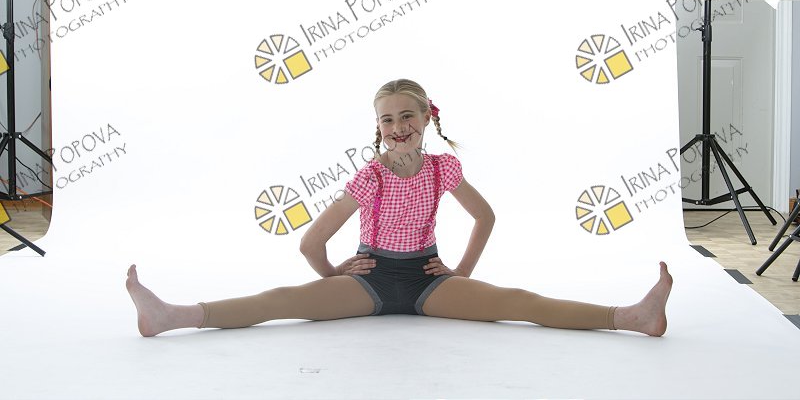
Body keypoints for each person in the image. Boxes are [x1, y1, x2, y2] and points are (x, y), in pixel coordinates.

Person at [127, 78, 672, 337]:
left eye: (407, 116)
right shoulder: (371, 176)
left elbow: (485, 217)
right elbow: (311, 241)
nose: (397, 127)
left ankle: (629, 317)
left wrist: (461, 273)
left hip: (427, 280)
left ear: (427, 118)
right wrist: (334, 274)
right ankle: (174, 315)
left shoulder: (442, 169)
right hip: (370, 280)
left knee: (519, 302)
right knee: (279, 301)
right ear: (378, 128)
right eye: (387, 120)